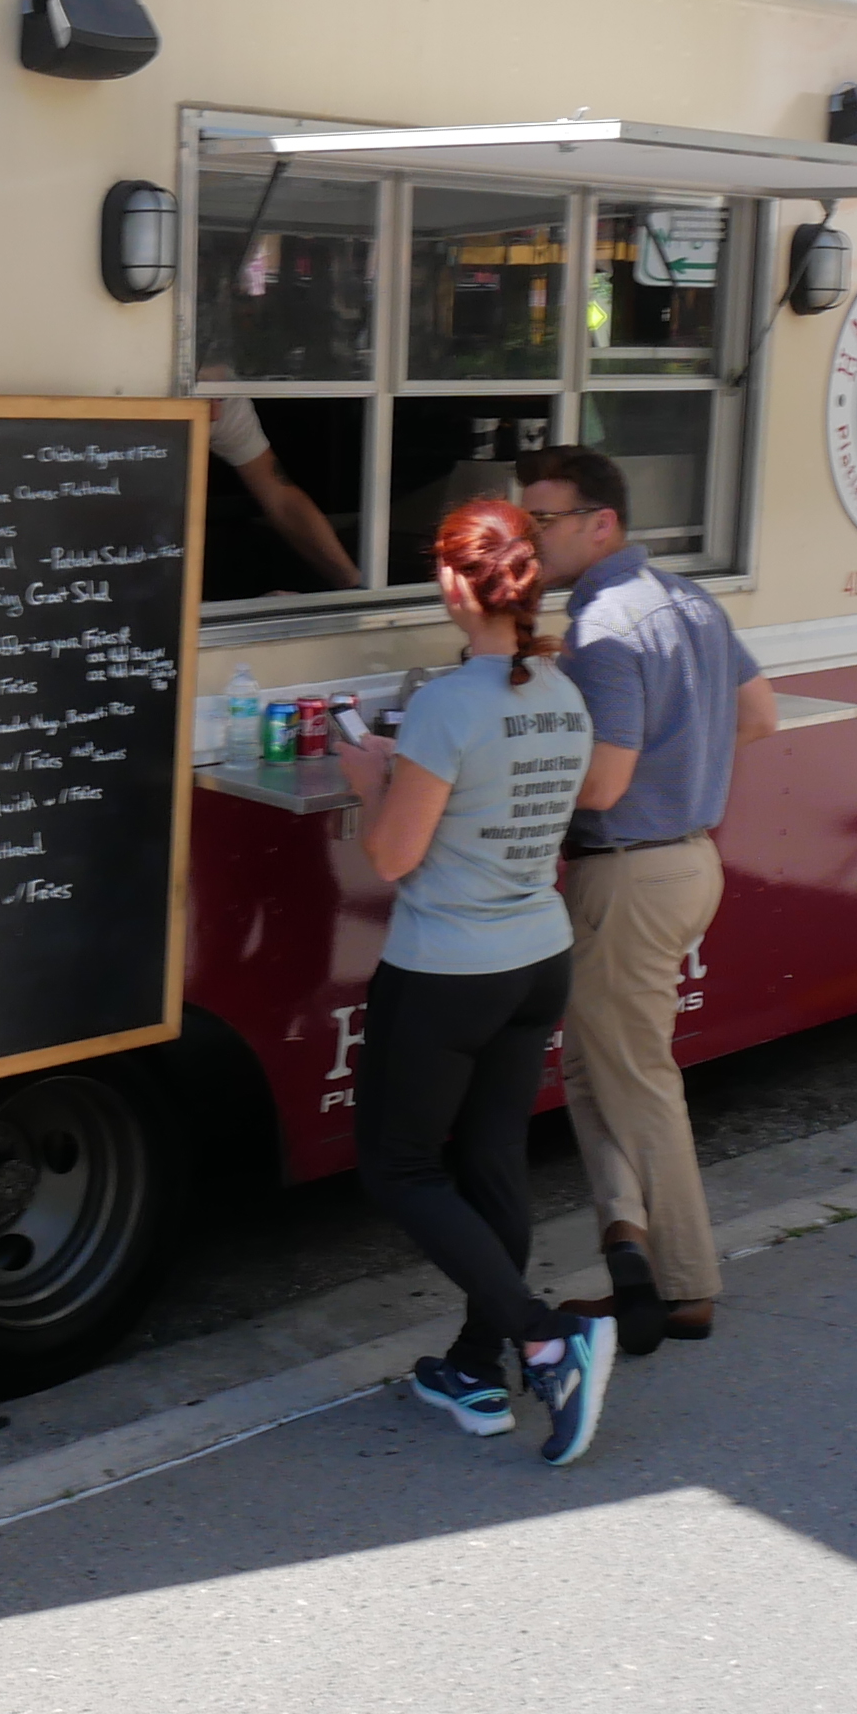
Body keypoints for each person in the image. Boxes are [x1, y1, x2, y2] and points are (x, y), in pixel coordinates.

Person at [332, 500, 618, 1465]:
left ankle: (545, 1336)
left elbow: (393, 858)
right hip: (537, 957)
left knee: (401, 1168)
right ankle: (471, 1366)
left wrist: (368, 775)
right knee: (490, 1161)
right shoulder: (562, 693)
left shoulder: (454, 704)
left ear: (456, 585)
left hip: (447, 968)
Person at [513, 445, 776, 1356]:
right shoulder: (689, 600)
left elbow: (603, 783)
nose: (529, 536)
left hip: (624, 871)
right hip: (689, 860)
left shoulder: (603, 628)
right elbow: (759, 713)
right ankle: (628, 1248)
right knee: (599, 1069)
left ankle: (688, 1287)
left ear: (602, 524)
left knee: (638, 1081)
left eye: (543, 521)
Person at [206, 392, 360, 591]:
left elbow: (281, 499)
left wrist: (350, 582)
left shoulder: (226, 401)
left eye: (220, 399)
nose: (215, 414)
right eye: (202, 397)